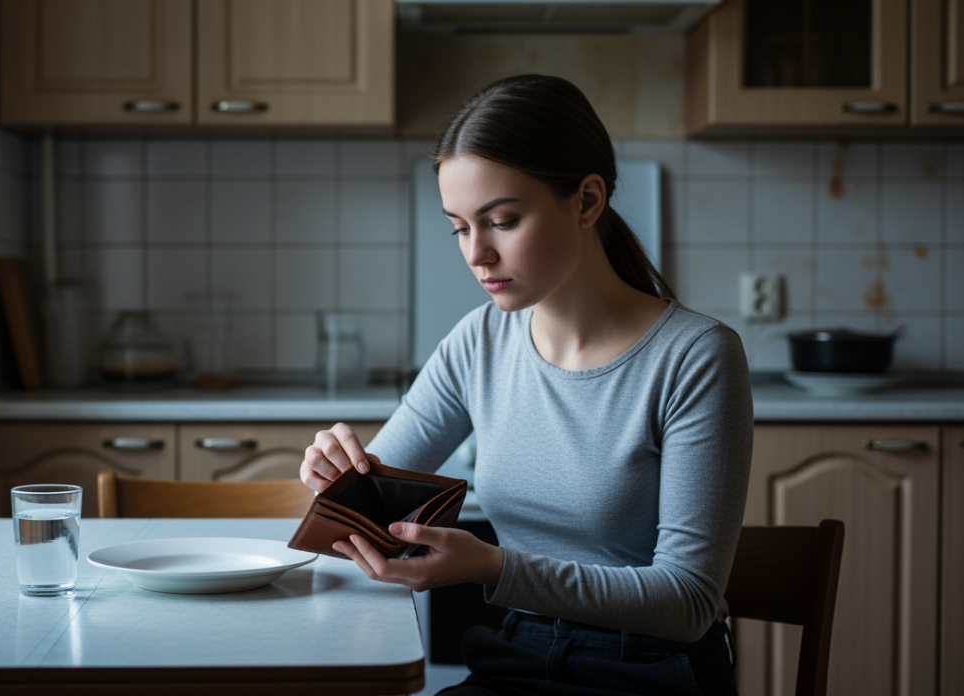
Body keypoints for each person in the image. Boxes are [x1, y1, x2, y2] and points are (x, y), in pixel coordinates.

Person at [299, 74, 752, 696]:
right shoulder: (478, 341)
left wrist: (490, 565)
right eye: (459, 227)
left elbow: (687, 602)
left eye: (502, 221)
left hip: (649, 670)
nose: (476, 254)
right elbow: (372, 506)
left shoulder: (696, 357)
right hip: (516, 654)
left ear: (588, 200)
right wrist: (337, 479)